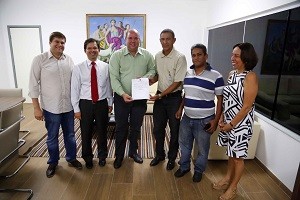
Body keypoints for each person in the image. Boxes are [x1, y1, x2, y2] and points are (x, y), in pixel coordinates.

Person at [28, 31, 82, 178]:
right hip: (51, 108)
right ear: (50, 43)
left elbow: (75, 82)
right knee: (52, 136)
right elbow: (33, 85)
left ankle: (71, 158)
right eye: (56, 42)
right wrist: (36, 108)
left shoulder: (68, 60)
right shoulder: (40, 60)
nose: (60, 45)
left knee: (70, 135)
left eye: (62, 42)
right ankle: (53, 162)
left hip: (68, 107)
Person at [213, 42, 258, 200]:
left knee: (238, 157)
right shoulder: (232, 73)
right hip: (229, 121)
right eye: (232, 54)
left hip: (241, 125)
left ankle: (233, 188)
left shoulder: (250, 76)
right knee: (231, 154)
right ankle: (227, 179)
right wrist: (224, 118)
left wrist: (231, 124)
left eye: (236, 55)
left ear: (246, 57)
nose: (232, 58)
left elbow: (246, 106)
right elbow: (227, 98)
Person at [174, 43, 224, 182]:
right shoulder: (187, 74)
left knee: (202, 148)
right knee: (184, 145)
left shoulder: (216, 76)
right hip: (187, 118)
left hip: (205, 120)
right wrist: (180, 109)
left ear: (206, 56)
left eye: (199, 54)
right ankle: (184, 167)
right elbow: (187, 94)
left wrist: (216, 120)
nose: (196, 58)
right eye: (193, 55)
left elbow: (221, 100)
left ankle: (198, 170)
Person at [109, 29, 156, 169]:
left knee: (136, 127)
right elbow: (114, 78)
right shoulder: (116, 56)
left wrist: (145, 78)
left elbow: (153, 70)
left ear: (139, 39)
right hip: (121, 98)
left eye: (136, 38)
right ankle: (118, 156)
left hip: (139, 98)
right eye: (130, 38)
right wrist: (122, 93)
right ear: (125, 39)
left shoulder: (147, 55)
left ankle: (133, 152)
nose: (133, 41)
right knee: (121, 127)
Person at [71, 38, 113, 169]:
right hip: (85, 104)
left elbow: (109, 86)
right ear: (85, 51)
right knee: (86, 132)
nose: (92, 50)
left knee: (102, 131)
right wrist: (76, 109)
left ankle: (102, 156)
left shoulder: (106, 67)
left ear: (99, 50)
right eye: (89, 48)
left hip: (101, 103)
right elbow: (75, 89)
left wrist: (110, 102)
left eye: (95, 48)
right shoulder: (78, 68)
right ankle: (87, 158)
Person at [149, 29, 187, 171]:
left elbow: (177, 82)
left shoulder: (180, 57)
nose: (165, 42)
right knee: (158, 129)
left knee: (174, 130)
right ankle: (160, 155)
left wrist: (160, 95)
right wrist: (147, 81)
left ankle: (172, 158)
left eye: (168, 39)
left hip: (174, 99)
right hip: (160, 98)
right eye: (162, 39)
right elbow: (158, 75)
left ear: (174, 40)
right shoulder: (157, 56)